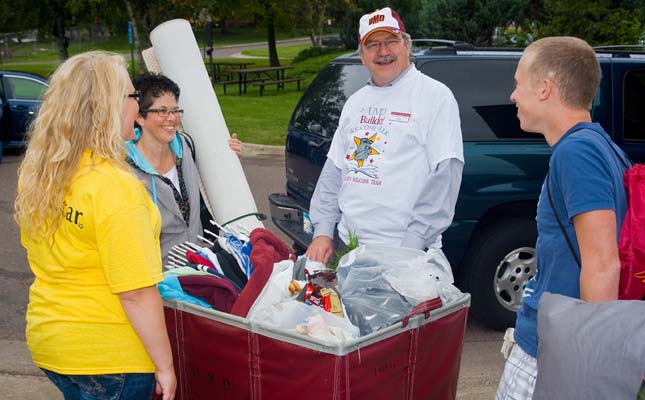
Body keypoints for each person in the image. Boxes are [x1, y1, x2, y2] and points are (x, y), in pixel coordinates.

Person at [14, 52, 176, 399]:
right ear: (107, 106)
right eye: (133, 96)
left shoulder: (44, 172)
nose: (139, 105)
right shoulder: (115, 187)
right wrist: (165, 365)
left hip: (52, 341)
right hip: (108, 354)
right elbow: (135, 293)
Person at [496, 37, 630, 399]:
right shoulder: (598, 145)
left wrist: (590, 372)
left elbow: (603, 264)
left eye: (518, 83)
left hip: (554, 353)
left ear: (544, 88)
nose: (513, 96)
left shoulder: (578, 153)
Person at [305, 7, 464, 263]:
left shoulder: (435, 96)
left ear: (406, 45)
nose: (383, 51)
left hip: (405, 251)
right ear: (362, 56)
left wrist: (411, 247)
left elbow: (445, 176)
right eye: (373, 44)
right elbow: (334, 172)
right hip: (349, 249)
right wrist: (323, 231)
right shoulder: (355, 103)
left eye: (391, 40)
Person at [126, 72, 242, 265]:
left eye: (175, 110)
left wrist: (230, 154)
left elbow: (219, 167)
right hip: (156, 277)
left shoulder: (186, 146)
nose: (171, 119)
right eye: (162, 111)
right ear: (140, 117)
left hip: (197, 267)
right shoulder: (123, 166)